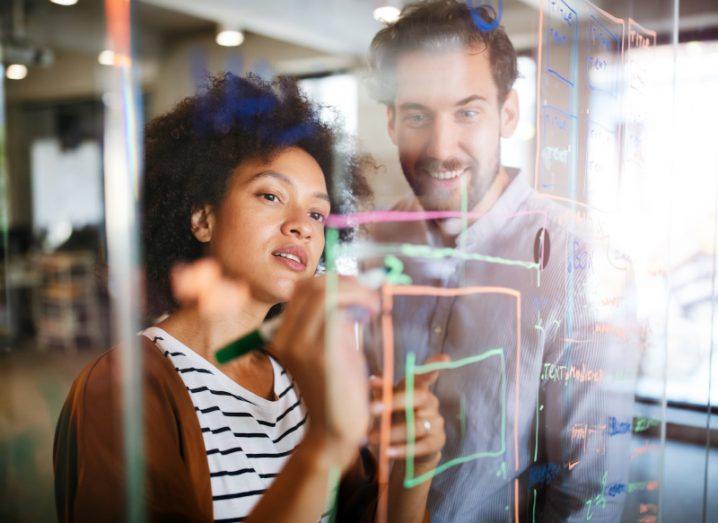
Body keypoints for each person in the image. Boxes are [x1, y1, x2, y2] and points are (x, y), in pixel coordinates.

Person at [53, 73, 448, 522]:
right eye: (271, 195)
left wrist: (411, 472)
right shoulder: (124, 389)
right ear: (203, 219)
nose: (302, 224)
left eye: (318, 213)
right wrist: (323, 445)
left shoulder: (300, 376)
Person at [366, 1, 636, 521]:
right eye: (418, 115)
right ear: (393, 121)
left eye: (467, 112)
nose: (441, 148)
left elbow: (585, 494)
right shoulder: (383, 235)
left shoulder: (574, 264)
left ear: (508, 114)